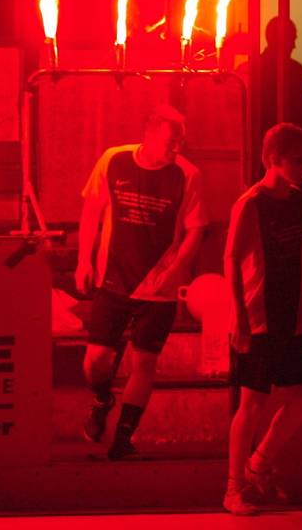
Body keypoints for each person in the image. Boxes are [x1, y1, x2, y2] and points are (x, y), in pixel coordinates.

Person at [74, 104, 208, 460]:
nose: (176, 148)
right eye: (170, 141)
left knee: (145, 361)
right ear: (148, 135)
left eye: (180, 141)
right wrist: (83, 260)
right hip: (113, 276)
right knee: (96, 359)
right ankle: (102, 399)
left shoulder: (187, 174)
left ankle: (123, 437)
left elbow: (196, 229)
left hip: (159, 286)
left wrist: (178, 267)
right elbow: (91, 211)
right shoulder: (113, 160)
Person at [223, 123, 302, 515]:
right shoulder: (250, 203)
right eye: (297, 161)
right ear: (273, 159)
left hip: (292, 312)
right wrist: (239, 316)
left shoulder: (297, 198)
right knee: (252, 403)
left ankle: (258, 464)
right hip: (260, 313)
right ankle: (233, 488)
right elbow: (229, 257)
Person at [259, 17, 302, 134]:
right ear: (277, 39)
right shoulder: (296, 71)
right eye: (291, 39)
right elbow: (301, 114)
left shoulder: (252, 69)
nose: (294, 45)